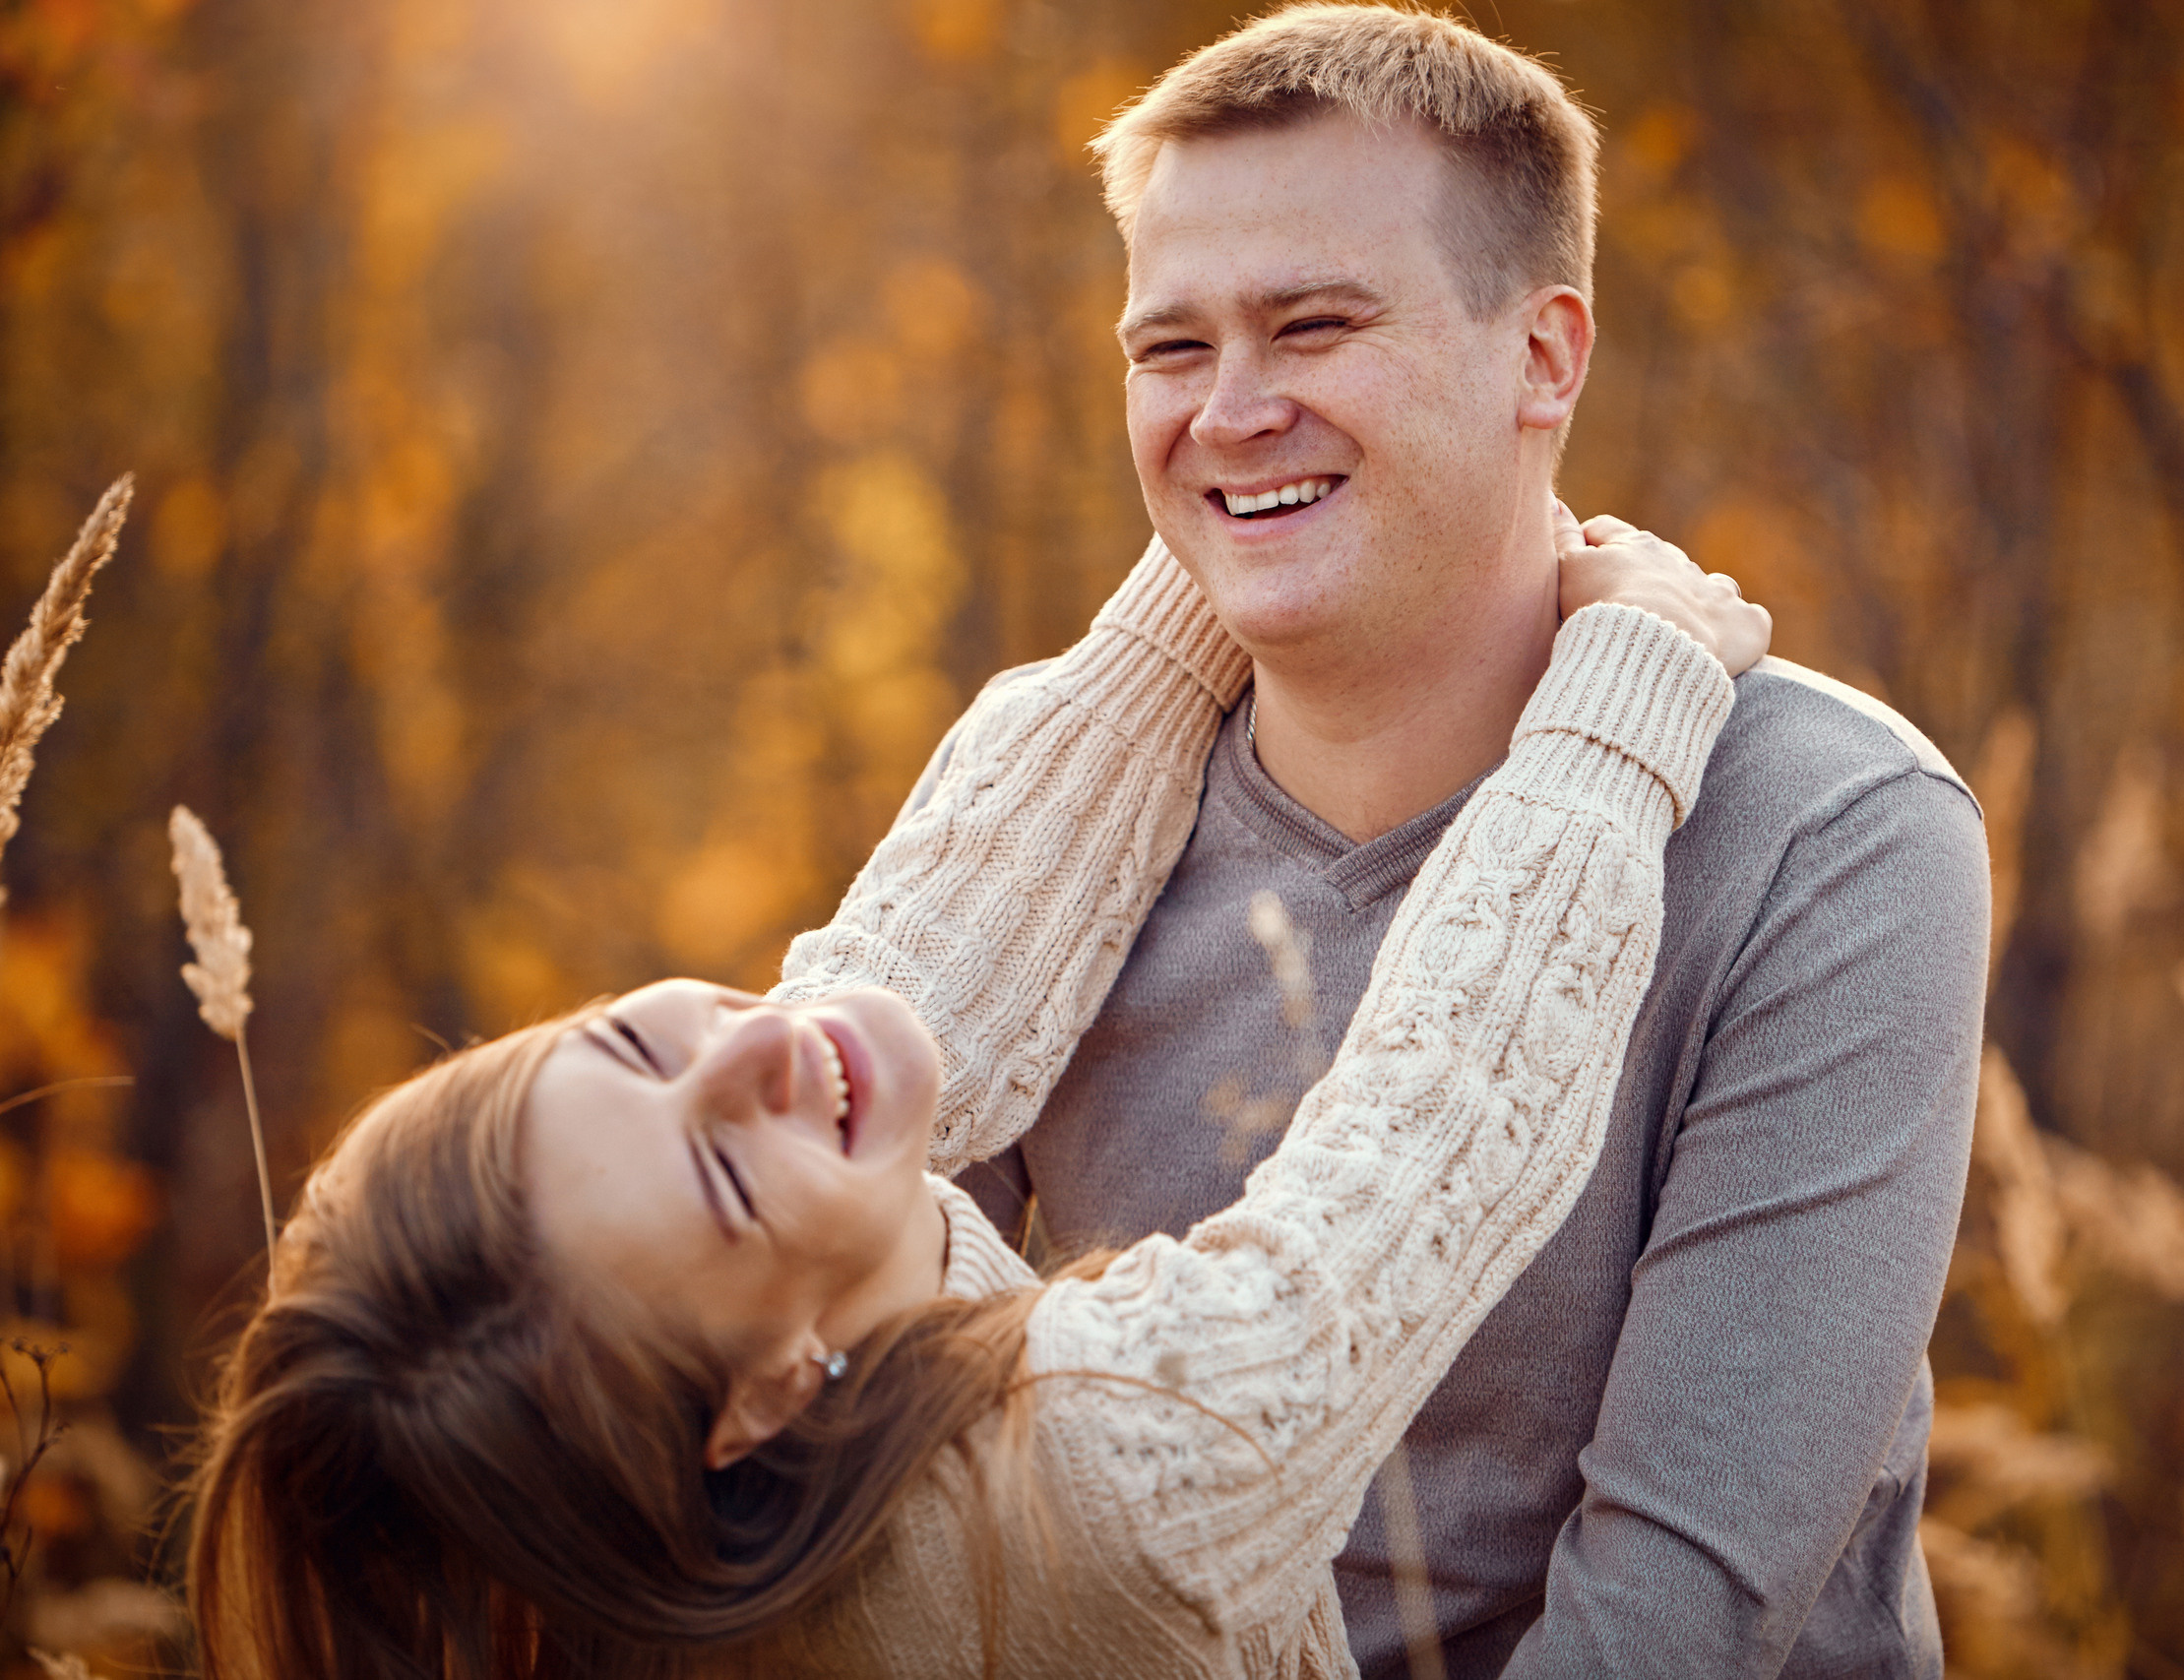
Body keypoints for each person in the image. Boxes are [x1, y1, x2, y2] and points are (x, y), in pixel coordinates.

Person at [793, 7, 1990, 1675]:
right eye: (1169, 349)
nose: (1229, 411)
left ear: (1546, 354)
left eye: (1314, 326)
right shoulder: (1054, 801)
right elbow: (830, 1357)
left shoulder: (1830, 828)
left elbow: (1676, 1617)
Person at [184, 535, 1772, 1678]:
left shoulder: (690, 1500)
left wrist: (1238, 526)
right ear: (753, 1411)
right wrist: (1629, 695)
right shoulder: (1099, 1494)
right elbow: (1436, 1124)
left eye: (625, 1048)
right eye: (722, 1179)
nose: (749, 1057)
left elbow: (936, 954)